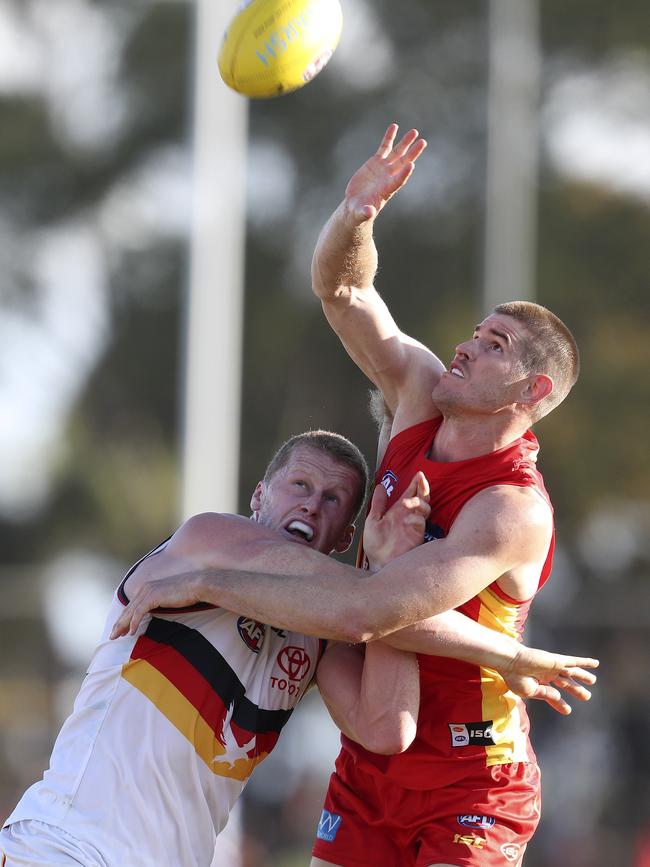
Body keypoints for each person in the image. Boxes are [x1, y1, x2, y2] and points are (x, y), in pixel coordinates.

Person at [111, 125, 598, 866]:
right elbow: (343, 288)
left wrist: (211, 577)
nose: (465, 346)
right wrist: (355, 218)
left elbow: (371, 610)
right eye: (475, 331)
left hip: (472, 782)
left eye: (493, 345)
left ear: (531, 392)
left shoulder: (510, 506)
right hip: (370, 764)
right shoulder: (416, 396)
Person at [1, 431, 594, 867]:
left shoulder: (318, 630)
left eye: (336, 501)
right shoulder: (212, 536)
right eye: (300, 486)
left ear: (342, 539)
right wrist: (505, 653)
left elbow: (387, 726)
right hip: (64, 843)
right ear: (261, 495)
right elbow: (372, 604)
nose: (313, 505)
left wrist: (397, 566)